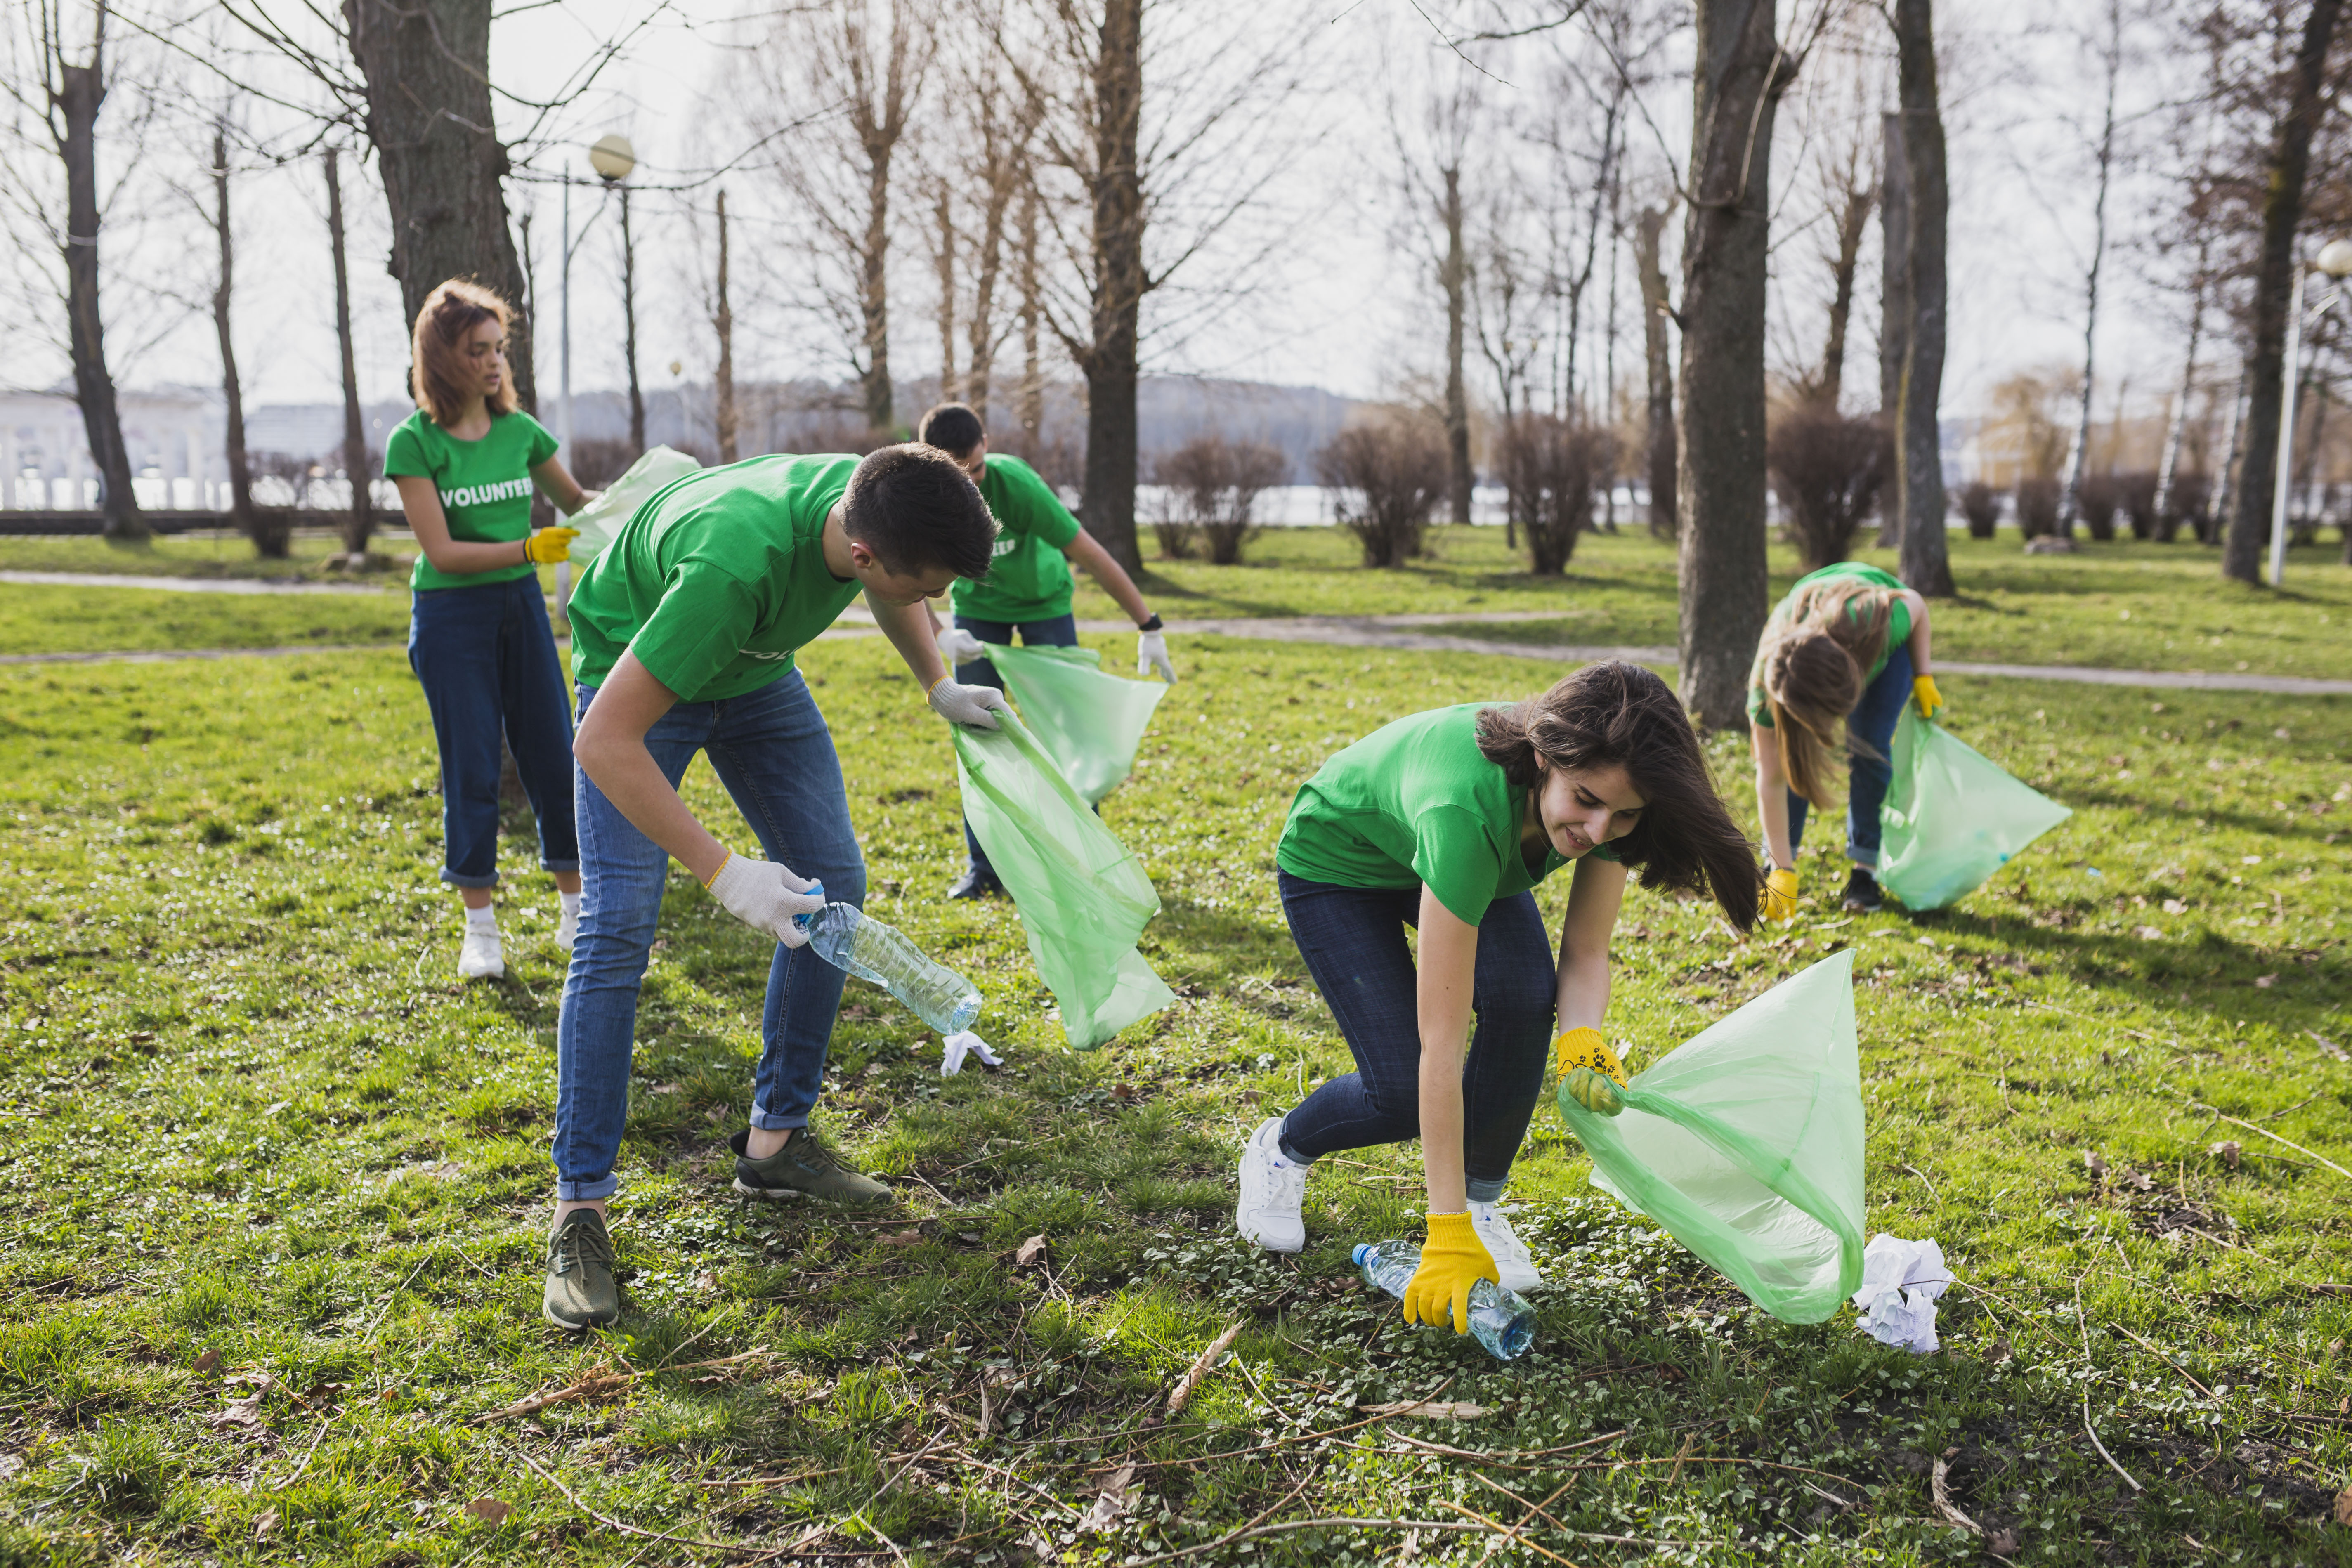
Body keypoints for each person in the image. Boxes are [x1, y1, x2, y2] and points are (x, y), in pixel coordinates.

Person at [542, 444, 1005, 1331]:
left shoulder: (871, 492)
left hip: (754, 675)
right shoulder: (734, 561)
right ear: (865, 553)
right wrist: (726, 874)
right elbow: (603, 744)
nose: (923, 606)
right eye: (921, 591)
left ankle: (777, 1143)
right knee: (615, 932)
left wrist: (937, 681)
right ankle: (579, 1212)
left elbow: (894, 585)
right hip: (638, 673)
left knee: (838, 886)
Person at [1235, 662, 1762, 1339]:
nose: (1600, 830)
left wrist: (1581, 1036)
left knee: (1524, 998)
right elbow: (1442, 1047)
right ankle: (1281, 1149)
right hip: (1340, 866)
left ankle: (1485, 1202)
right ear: (1544, 759)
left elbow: (1587, 953)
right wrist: (1443, 1230)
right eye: (1586, 801)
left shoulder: (1608, 800)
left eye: (1624, 814)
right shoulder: (1466, 811)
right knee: (1399, 1089)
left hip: (1453, 852)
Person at [386, 279, 594, 982]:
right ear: (443, 357)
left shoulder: (521, 434)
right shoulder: (414, 444)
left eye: (500, 348)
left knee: (554, 754)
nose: (495, 362)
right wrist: (531, 549)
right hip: (452, 616)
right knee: (471, 765)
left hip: (520, 610)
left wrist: (652, 499)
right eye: (479, 350)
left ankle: (576, 912)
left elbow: (579, 503)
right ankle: (481, 930)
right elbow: (442, 552)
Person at [914, 402, 1174, 899]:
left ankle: (1090, 857)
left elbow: (1090, 553)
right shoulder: (926, 492)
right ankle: (984, 868)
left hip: (1043, 603)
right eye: (956, 473)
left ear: (986, 445)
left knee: (1068, 726)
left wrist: (1149, 624)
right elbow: (893, 573)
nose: (968, 484)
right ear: (932, 459)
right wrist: (941, 632)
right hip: (978, 608)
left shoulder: (1019, 488)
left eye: (974, 470)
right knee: (975, 731)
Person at [1748, 562, 1941, 918]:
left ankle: (1865, 872)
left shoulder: (1880, 623)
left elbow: (1916, 603)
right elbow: (1771, 779)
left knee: (1870, 744)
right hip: (1808, 658)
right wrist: (1783, 870)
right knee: (1791, 755)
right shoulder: (1766, 688)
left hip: (1872, 639)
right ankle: (1777, 865)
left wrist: (1923, 675)